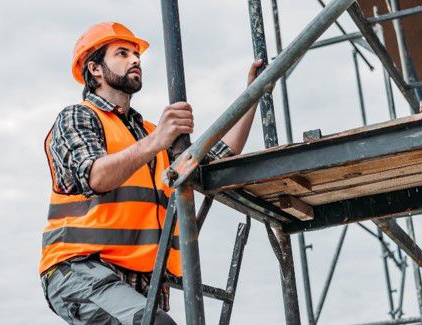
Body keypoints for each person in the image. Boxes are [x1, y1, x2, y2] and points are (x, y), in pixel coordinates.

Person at [39, 21, 262, 324]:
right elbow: (95, 175)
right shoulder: (78, 117)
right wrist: (159, 140)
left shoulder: (148, 133)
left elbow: (214, 161)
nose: (135, 60)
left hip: (141, 281)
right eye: (122, 53)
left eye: (136, 54)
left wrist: (253, 95)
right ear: (94, 69)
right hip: (81, 269)